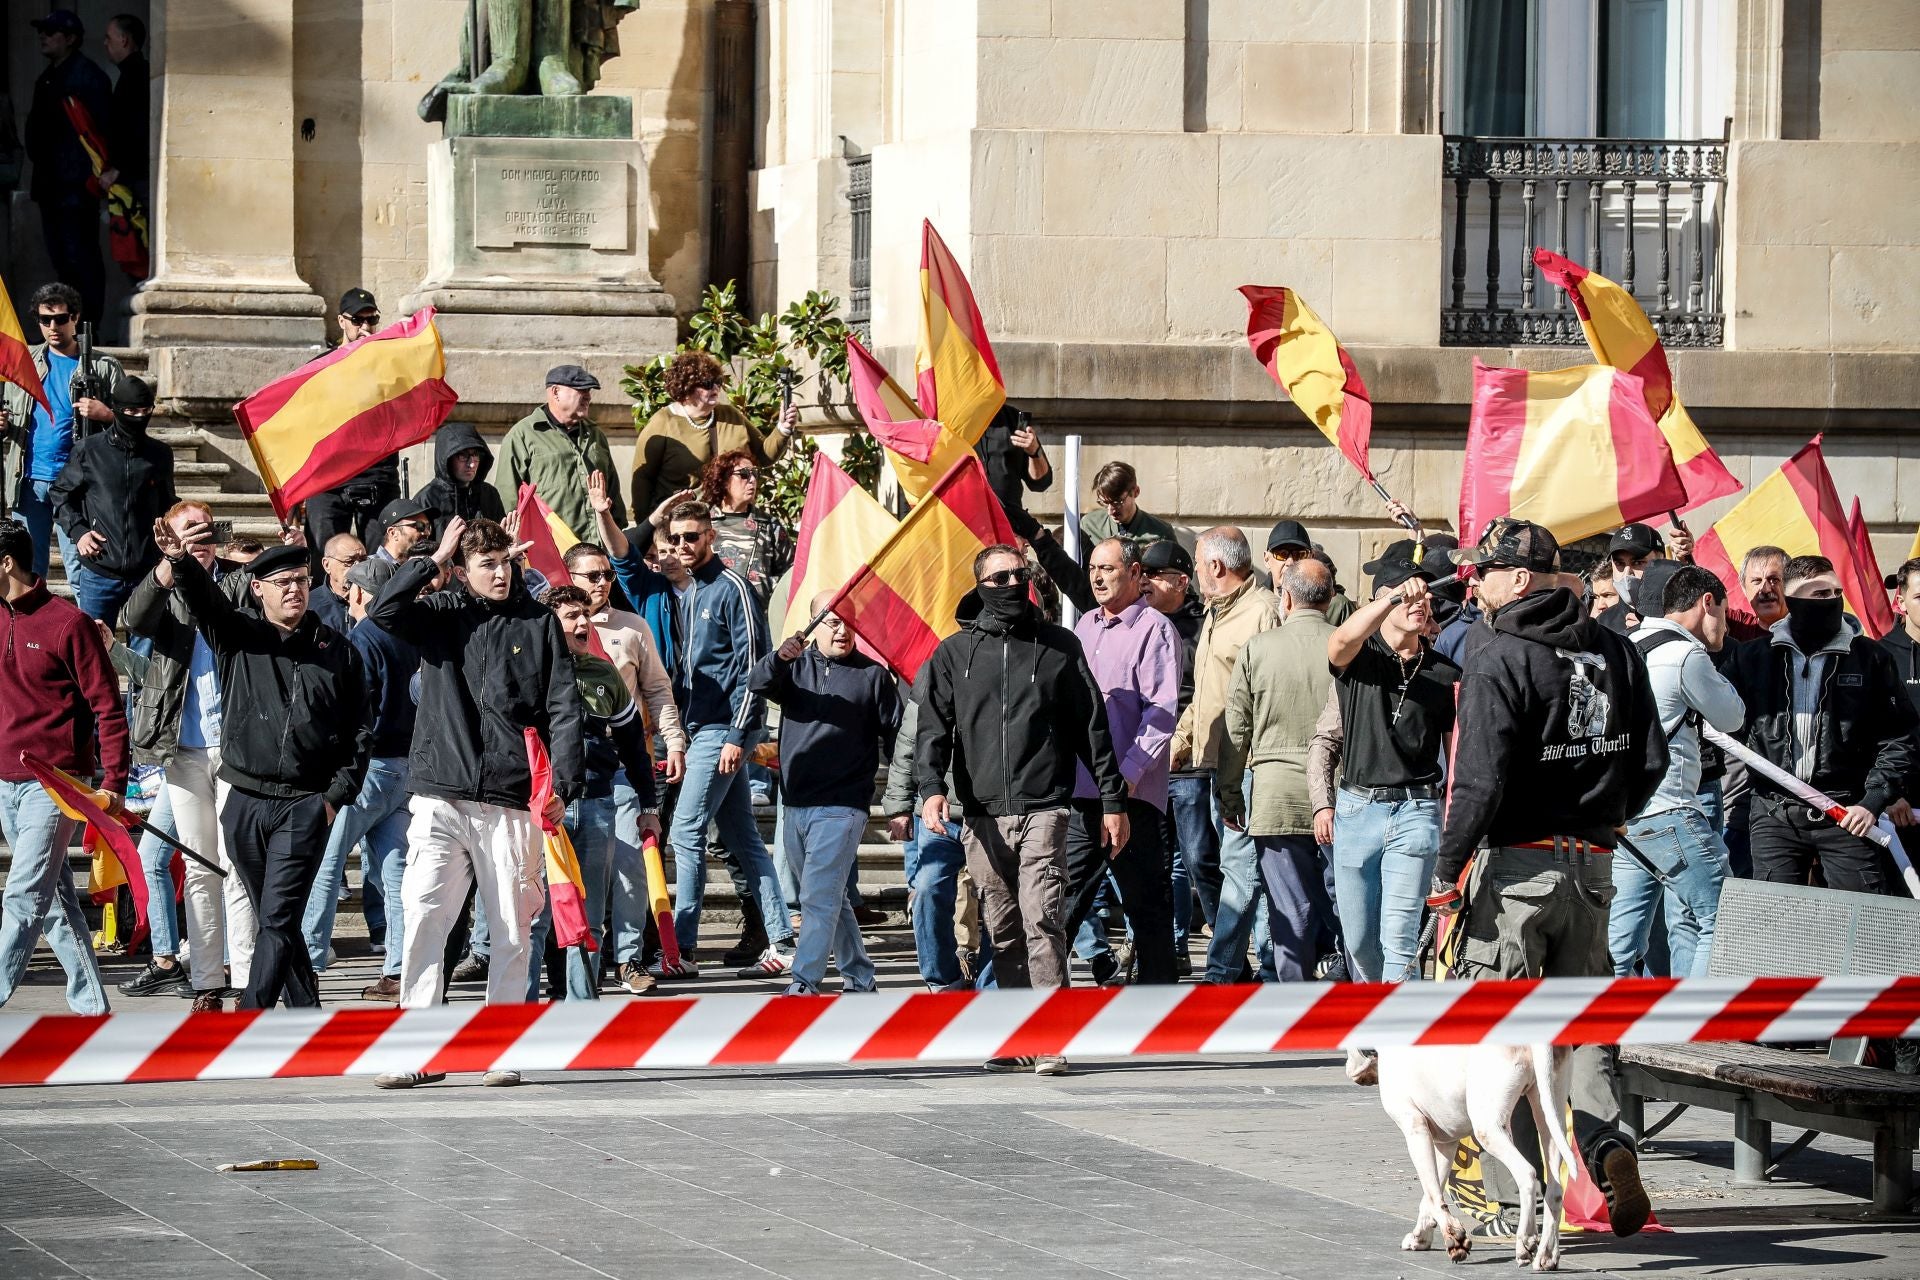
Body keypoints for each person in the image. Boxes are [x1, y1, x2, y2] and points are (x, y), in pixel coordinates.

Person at [1431, 517, 1666, 1238]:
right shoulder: (1619, 651)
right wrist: (1611, 814)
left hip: (1516, 869)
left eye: (1485, 573)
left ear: (1520, 579)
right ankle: (1606, 1145)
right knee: (1581, 1024)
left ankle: (1532, 1199)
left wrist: (1446, 872)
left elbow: (1478, 779)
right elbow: (1651, 758)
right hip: (1593, 866)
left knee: (1505, 1034)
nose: (1473, 584)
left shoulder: (1495, 653)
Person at [366, 516, 584, 1088]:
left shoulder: (538, 621)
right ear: (462, 571)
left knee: (512, 929)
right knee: (423, 918)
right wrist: (431, 557)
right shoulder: (439, 613)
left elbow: (563, 705)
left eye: (506, 561)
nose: (501, 572)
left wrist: (562, 784)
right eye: (487, 563)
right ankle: (416, 1049)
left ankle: (502, 1048)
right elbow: (384, 610)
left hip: (512, 799)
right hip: (440, 794)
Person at [917, 545, 1128, 1074]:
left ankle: (1052, 1035)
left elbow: (1092, 730)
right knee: (1003, 925)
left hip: (1046, 807)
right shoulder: (953, 654)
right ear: (980, 585)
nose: (1013, 583)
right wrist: (930, 789)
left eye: (1020, 574)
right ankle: (1017, 1036)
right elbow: (933, 731)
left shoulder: (1059, 647)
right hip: (982, 813)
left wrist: (1112, 800)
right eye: (1000, 576)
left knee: (1042, 916)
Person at [157, 527, 372, 1011]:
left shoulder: (338, 651)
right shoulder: (238, 636)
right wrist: (182, 562)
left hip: (306, 803)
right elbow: (207, 605)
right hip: (245, 801)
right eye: (281, 582)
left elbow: (361, 731)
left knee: (276, 918)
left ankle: (250, 1015)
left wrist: (335, 797)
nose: (293, 589)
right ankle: (305, 1013)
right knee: (275, 914)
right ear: (258, 589)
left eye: (300, 579)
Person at [117, 500, 259, 1010]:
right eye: (184, 535)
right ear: (166, 538)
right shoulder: (163, 584)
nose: (196, 543)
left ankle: (244, 978)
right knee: (199, 865)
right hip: (181, 744)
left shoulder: (240, 582)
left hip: (236, 744)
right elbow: (128, 618)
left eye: (203, 534)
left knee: (238, 862)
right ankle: (206, 983)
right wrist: (165, 568)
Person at [649, 501, 795, 979]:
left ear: (711, 535)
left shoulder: (735, 587)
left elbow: (755, 667)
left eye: (692, 536)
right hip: (700, 726)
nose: (684, 546)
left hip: (725, 728)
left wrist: (738, 735)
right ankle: (782, 938)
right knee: (743, 839)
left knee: (686, 830)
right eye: (677, 539)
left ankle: (683, 947)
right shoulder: (690, 591)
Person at [1725, 554, 1918, 896]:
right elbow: (1724, 723)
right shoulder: (1752, 657)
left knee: (1861, 922)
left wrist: (1873, 800)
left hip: (1848, 813)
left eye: (1836, 592)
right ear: (1791, 599)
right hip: (1774, 811)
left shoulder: (1872, 657)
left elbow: (1899, 737)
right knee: (1774, 921)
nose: (1831, 600)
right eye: (1819, 594)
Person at [1318, 541, 1459, 987]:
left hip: (1416, 812)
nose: (1420, 604)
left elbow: (1454, 757)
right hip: (1358, 810)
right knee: (1358, 940)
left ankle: (1403, 1045)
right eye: (1409, 598)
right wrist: (1396, 596)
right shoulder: (1361, 658)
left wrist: (1453, 820)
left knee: (1399, 939)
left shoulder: (1444, 673)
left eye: (1424, 599)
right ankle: (1375, 1030)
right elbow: (1339, 639)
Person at [750, 594, 902, 994]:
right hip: (795, 802)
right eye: (832, 622)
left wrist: (906, 793)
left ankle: (804, 982)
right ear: (814, 625)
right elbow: (758, 682)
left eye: (849, 621)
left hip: (844, 806)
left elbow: (898, 736)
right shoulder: (794, 667)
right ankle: (861, 977)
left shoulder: (873, 675)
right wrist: (779, 658)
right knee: (828, 896)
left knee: (817, 897)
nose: (843, 630)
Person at [0, 522, 121, 1015]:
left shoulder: (67, 624)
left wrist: (113, 782)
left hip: (58, 786)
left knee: (24, 894)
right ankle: (93, 1006)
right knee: (53, 902)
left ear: (6, 562)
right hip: (5, 780)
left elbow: (108, 706)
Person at [562, 537, 687, 992]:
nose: (602, 583)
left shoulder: (631, 627)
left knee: (631, 866)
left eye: (607, 575)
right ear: (569, 578)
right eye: (592, 576)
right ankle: (573, 968)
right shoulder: (547, 627)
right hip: (567, 770)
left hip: (624, 763)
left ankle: (630, 959)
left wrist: (673, 741)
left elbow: (657, 688)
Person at [1612, 564, 1746, 978]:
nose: (1724, 626)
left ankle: (1598, 1035)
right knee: (1721, 916)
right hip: (1670, 809)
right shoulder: (1686, 654)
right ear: (1708, 603)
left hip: (1624, 817)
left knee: (1618, 942)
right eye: (1723, 613)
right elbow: (1731, 717)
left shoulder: (1626, 645)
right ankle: (1697, 1033)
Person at [531, 587, 663, 1000]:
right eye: (572, 616)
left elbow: (631, 745)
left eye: (585, 614)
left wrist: (647, 804)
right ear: (549, 623)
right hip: (537, 808)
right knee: (530, 917)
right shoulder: (526, 672)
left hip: (595, 802)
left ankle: (581, 1011)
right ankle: (520, 1009)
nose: (584, 623)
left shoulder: (603, 674)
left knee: (587, 917)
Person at [1063, 539, 1181, 986]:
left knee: (1146, 905)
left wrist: (1126, 778)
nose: (1096, 577)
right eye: (1092, 568)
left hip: (1132, 796)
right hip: (1081, 790)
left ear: (1134, 573)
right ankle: (1041, 1006)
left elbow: (1161, 714)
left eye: (1107, 568)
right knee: (1065, 901)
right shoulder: (1084, 627)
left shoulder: (1156, 630)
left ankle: (1160, 1008)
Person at [1218, 557, 1340, 983]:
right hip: (1339, 796)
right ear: (1329, 598)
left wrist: (1229, 794)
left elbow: (1236, 731)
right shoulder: (1347, 645)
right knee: (1343, 905)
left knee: (1291, 910)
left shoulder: (1259, 648)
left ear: (1285, 597)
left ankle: (1298, 1006)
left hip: (1275, 797)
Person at [303, 556, 420, 994]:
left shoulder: (363, 637)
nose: (345, 596)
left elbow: (351, 710)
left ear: (359, 594)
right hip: (405, 768)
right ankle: (398, 968)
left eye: (350, 589)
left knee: (325, 863)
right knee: (397, 872)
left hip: (369, 769)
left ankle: (310, 961)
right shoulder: (409, 633)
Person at [1171, 527, 1278, 984]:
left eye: (1197, 563)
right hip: (1217, 766)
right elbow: (1207, 697)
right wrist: (1178, 745)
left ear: (1216, 566)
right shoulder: (1216, 614)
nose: (1195, 573)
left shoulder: (1263, 613)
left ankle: (1224, 973)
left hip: (1252, 768)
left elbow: (1271, 693)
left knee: (1242, 871)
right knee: (1249, 873)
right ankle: (1266, 971)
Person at [1, 282, 131, 577]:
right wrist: (5, 425)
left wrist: (108, 414)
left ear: (75, 318)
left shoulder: (103, 367)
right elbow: (12, 418)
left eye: (60, 318)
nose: (53, 326)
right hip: (30, 479)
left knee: (80, 566)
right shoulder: (25, 363)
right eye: (45, 320)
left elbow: (134, 423)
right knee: (28, 570)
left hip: (79, 484)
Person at [1142, 539, 1216, 976]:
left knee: (1199, 858)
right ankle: (1168, 950)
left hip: (1188, 766)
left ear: (1181, 580)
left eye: (1155, 573)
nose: (1145, 581)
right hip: (1145, 763)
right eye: (1142, 573)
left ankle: (1223, 940)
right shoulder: (1136, 624)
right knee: (1156, 862)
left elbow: (1202, 693)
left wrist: (1182, 743)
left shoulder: (1202, 626)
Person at [50, 376, 172, 625]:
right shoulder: (88, 450)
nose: (138, 417)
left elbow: (168, 504)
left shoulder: (160, 454)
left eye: (144, 411)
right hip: (100, 570)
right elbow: (61, 494)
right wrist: (79, 531)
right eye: (130, 411)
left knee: (144, 658)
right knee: (94, 649)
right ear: (116, 410)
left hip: (147, 571)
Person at [630, 350, 796, 520]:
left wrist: (783, 428)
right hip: (681, 526)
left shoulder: (730, 415)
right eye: (708, 384)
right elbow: (642, 479)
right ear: (686, 388)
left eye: (718, 382)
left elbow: (764, 456)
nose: (716, 388)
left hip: (730, 521)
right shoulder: (663, 423)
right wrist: (646, 528)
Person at [25, 12, 111, 328]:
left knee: (81, 259)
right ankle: (72, 324)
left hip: (77, 186)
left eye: (51, 32)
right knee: (62, 260)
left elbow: (100, 131)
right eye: (42, 31)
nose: (43, 36)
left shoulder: (87, 76)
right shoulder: (48, 77)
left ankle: (89, 326)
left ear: (70, 38)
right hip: (51, 185)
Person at [301, 290, 402, 550]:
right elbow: (305, 424)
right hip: (330, 479)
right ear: (341, 321)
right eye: (357, 320)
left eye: (372, 320)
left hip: (377, 476)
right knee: (325, 558)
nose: (365, 327)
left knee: (383, 561)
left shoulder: (389, 366)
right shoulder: (322, 366)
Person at [493, 364, 626, 544]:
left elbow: (613, 491)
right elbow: (507, 498)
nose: (588, 396)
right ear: (555, 392)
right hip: (552, 550)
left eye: (589, 391)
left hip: (598, 548)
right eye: (581, 390)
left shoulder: (595, 434)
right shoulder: (523, 435)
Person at [700, 448, 794, 613]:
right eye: (743, 474)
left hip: (759, 618)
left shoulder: (769, 525)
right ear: (723, 479)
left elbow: (792, 572)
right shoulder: (704, 524)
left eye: (754, 474)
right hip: (714, 616)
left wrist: (769, 588)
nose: (752, 480)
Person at [1880, 557, 1920, 870]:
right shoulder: (1877, 656)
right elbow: (1863, 735)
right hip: (1901, 814)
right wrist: (1888, 794)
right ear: (1901, 600)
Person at [413, 421, 505, 541]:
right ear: (447, 458)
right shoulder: (427, 499)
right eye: (463, 456)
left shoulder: (489, 494)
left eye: (475, 455)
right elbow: (418, 551)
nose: (471, 464)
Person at [101, 14, 149, 214]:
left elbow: (138, 127)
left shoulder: (135, 76)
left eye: (108, 37)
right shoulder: (132, 74)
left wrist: (118, 168)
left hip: (136, 179)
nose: (105, 43)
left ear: (124, 39)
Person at [1265, 520, 1354, 625]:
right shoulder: (1254, 605)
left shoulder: (1337, 605)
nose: (1290, 562)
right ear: (1266, 559)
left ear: (1311, 557)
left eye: (1299, 554)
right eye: (1281, 554)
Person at [1079, 461, 1178, 553]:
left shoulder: (1161, 532)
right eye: (1105, 502)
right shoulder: (1089, 525)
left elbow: (1174, 571)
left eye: (1117, 502)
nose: (1110, 511)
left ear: (1136, 492)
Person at [976, 404, 1052, 522]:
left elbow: (1041, 482)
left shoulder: (1013, 418)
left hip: (1010, 523)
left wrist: (1034, 451)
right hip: (964, 525)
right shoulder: (947, 418)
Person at [310, 533, 365, 635]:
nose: (358, 567)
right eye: (350, 561)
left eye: (363, 560)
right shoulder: (310, 606)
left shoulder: (376, 601)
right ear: (327, 565)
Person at [372, 494, 436, 563]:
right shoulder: (368, 569)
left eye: (428, 527)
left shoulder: (423, 567)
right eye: (419, 526)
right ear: (393, 533)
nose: (427, 532)